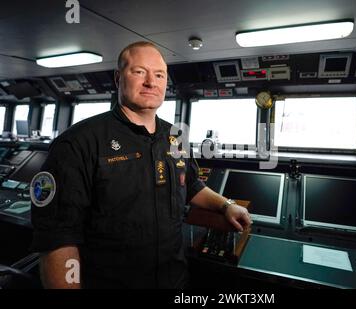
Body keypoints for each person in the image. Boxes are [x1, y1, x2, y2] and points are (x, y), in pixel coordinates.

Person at [30, 41, 252, 289]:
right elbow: (58, 239)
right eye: (139, 72)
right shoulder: (77, 143)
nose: (151, 82)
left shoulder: (175, 136)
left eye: (159, 75)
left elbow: (190, 185)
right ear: (118, 78)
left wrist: (226, 205)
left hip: (174, 280)